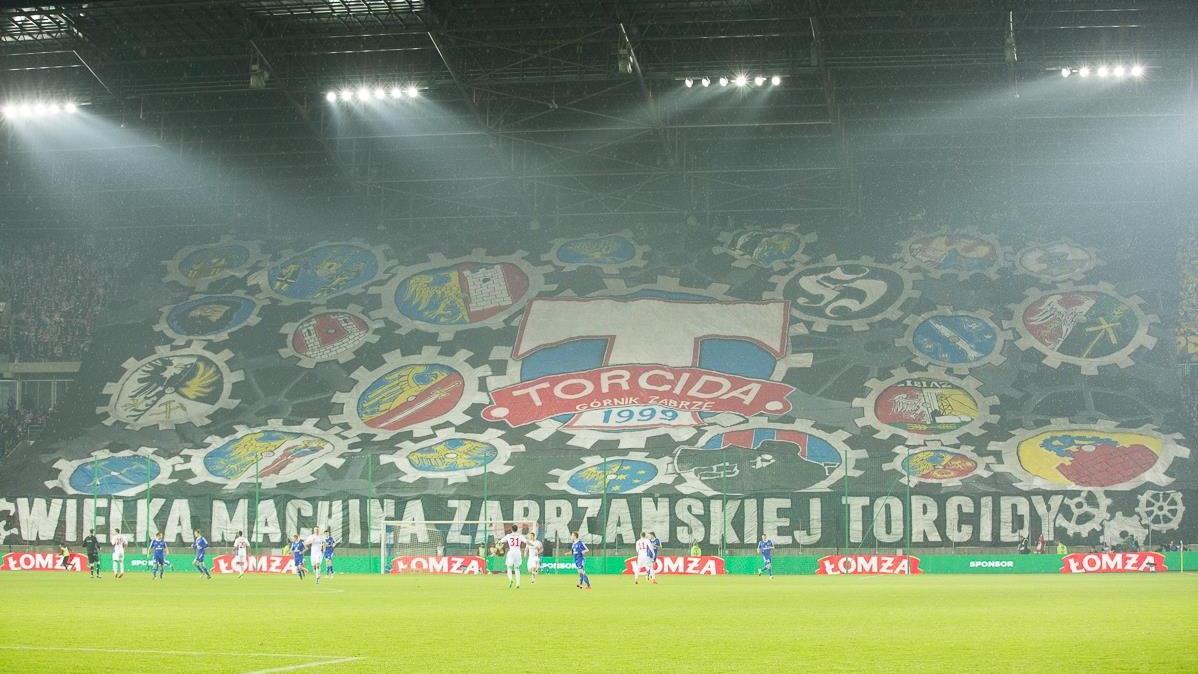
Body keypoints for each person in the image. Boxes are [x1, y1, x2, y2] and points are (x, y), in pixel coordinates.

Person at [503, 524, 524, 589]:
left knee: (509, 567)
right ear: (517, 529)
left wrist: (498, 543)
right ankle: (518, 583)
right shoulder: (520, 536)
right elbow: (526, 541)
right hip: (518, 552)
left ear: (511, 529)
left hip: (511, 552)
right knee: (517, 568)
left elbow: (501, 541)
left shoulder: (508, 536)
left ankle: (511, 579)